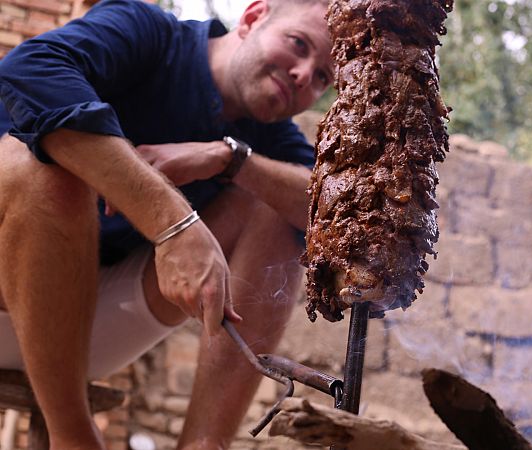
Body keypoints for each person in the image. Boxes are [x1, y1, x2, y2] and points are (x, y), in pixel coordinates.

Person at [0, 0, 333, 448]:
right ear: (254, 17)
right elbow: (28, 69)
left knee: (276, 205)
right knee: (46, 162)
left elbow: (331, 214)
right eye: (299, 45)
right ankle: (73, 437)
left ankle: (203, 445)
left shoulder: (267, 137)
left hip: (81, 335)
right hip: (7, 291)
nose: (302, 76)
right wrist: (171, 222)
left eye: (322, 78)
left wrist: (231, 159)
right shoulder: (148, 32)